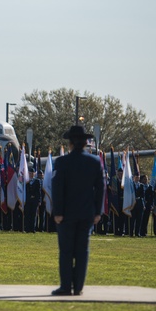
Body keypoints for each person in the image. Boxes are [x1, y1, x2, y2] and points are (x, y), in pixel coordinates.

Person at [51, 125, 104, 296]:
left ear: (71, 143)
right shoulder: (94, 162)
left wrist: (57, 212)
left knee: (66, 251)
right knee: (82, 251)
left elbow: (57, 189)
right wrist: (98, 212)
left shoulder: (62, 162)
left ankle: (66, 286)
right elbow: (100, 188)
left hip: (66, 214)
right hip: (86, 213)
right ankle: (78, 287)